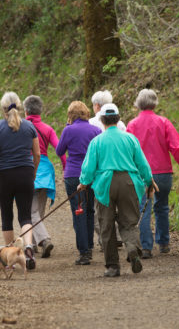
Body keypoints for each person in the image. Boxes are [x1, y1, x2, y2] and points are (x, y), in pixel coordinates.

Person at [78, 103, 155, 277]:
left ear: (102, 120)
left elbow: (89, 168)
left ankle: (113, 266)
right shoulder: (130, 139)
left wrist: (83, 182)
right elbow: (142, 164)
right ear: (118, 119)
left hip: (106, 184)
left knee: (106, 224)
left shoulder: (97, 141)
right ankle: (132, 249)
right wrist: (149, 181)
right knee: (129, 222)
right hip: (129, 182)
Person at [127, 89, 179, 258]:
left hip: (140, 173)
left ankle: (146, 247)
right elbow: (176, 147)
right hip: (163, 173)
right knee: (162, 206)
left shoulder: (132, 125)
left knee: (143, 208)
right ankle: (163, 243)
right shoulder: (163, 122)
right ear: (155, 103)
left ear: (138, 104)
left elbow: (127, 151)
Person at [0, 92, 40, 270]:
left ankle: (11, 256)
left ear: (3, 109)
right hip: (25, 173)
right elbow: (37, 153)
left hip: (5, 176)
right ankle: (29, 246)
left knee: (6, 216)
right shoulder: (30, 127)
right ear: (20, 107)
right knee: (26, 216)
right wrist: (34, 171)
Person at [56, 101, 101, 265]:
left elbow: (59, 151)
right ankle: (89, 246)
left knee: (78, 211)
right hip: (91, 176)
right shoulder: (96, 130)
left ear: (71, 115)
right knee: (89, 210)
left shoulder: (68, 130)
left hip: (73, 175)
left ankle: (83, 252)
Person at [24, 95, 66, 258]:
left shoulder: (21, 127)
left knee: (31, 211)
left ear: (26, 110)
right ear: (40, 110)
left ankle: (44, 240)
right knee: (37, 211)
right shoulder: (48, 129)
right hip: (46, 171)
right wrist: (64, 168)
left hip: (29, 169)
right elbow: (60, 150)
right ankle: (33, 244)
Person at [89, 90, 125, 248]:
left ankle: (107, 238)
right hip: (122, 170)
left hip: (101, 172)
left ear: (96, 106)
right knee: (118, 207)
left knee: (101, 208)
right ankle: (118, 235)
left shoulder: (90, 123)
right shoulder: (121, 124)